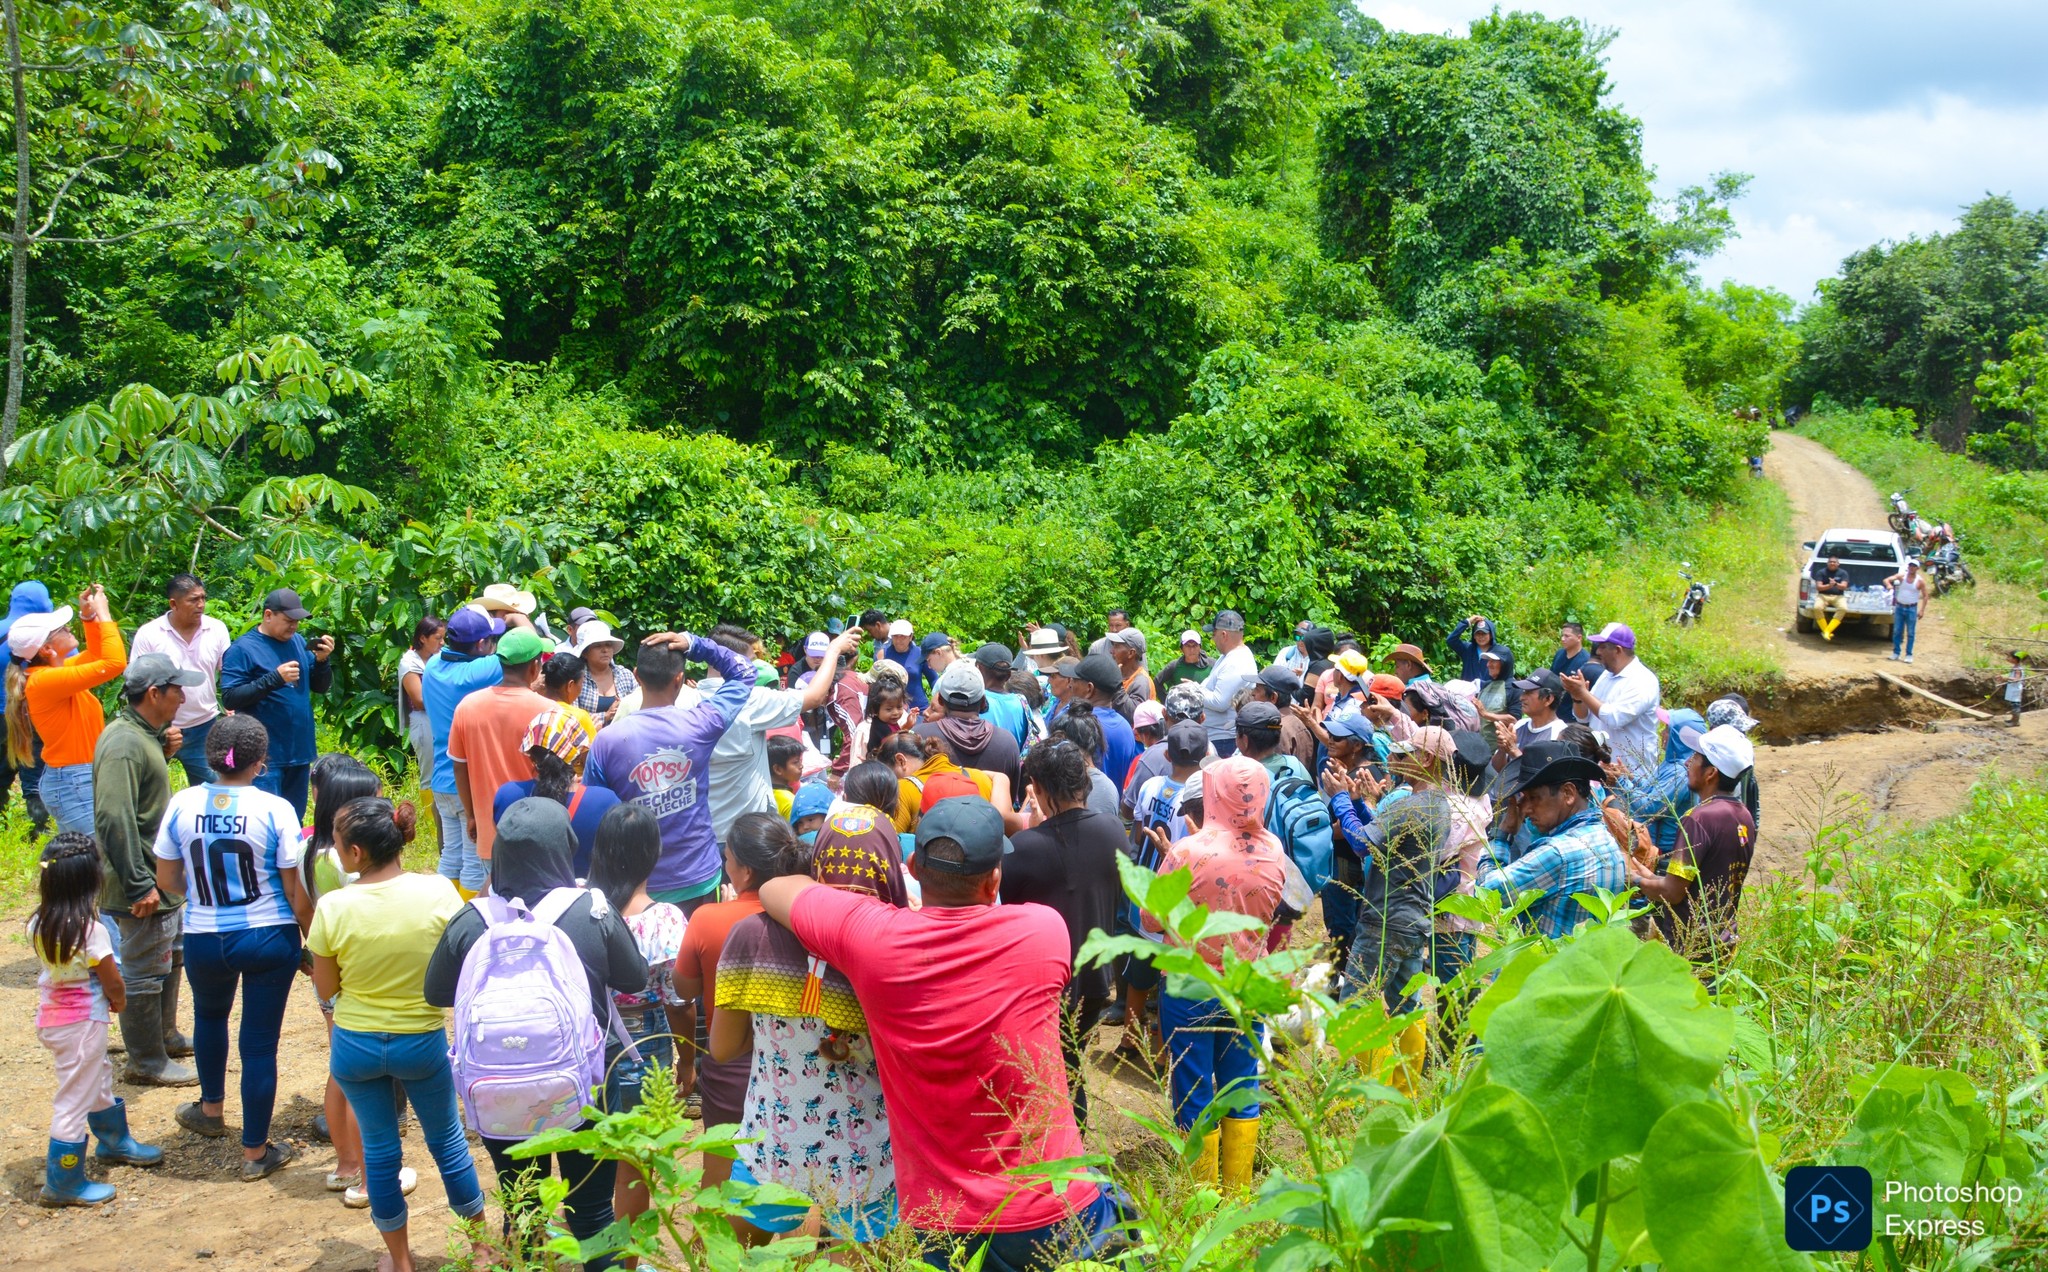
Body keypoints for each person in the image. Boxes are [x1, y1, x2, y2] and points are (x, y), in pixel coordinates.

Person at [757, 795, 1123, 1268]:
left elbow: (776, 888)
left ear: (913, 867)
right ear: (994, 880)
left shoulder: (872, 938)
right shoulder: (1043, 929)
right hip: (1055, 1205)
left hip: (944, 1223)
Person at [423, 798, 648, 1268]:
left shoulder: (472, 920)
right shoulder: (591, 909)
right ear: (565, 847)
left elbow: (435, 991)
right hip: (585, 1086)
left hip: (500, 1092)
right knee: (593, 1213)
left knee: (524, 1211)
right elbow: (635, 978)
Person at [712, 813, 901, 1251]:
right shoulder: (898, 948)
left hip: (773, 1146)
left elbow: (722, 1047)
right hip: (867, 1160)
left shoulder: (751, 934)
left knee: (738, 1257)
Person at [309, 797, 482, 1272]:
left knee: (380, 1153)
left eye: (338, 843)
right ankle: (483, 1249)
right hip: (420, 1040)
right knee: (448, 1144)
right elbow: (457, 966)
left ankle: (399, 1260)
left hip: (356, 1045)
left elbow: (326, 988)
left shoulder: (333, 906)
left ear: (357, 852)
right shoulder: (439, 892)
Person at [153, 713, 311, 1179]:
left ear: (210, 756)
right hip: (267, 935)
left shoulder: (182, 803)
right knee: (259, 1045)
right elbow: (293, 888)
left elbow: (168, 878)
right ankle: (255, 1153)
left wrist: (204, 898)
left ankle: (211, 1110)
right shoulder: (275, 809)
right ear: (260, 762)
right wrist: (310, 937)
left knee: (209, 1017)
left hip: (204, 934)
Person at [1143, 755, 1288, 1190]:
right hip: (1246, 984)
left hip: (1190, 985)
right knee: (1241, 1085)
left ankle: (1200, 1198)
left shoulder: (1188, 851)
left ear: (1213, 793)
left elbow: (1151, 918)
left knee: (1193, 1086)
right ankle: (1237, 1193)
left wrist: (1173, 862)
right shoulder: (1274, 849)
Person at [676, 810, 824, 1190]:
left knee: (721, 1183)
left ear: (743, 871)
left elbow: (684, 989)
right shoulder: (813, 917)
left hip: (732, 1072)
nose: (725, 868)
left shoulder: (709, 919)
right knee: (794, 1186)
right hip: (797, 1073)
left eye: (727, 860)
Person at [31, 832, 164, 1207]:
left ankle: (114, 1142)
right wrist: (118, 1001)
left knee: (97, 1076)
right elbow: (112, 980)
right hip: (83, 1024)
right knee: (73, 1100)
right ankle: (64, 1181)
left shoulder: (38, 922)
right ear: (90, 881)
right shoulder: (91, 931)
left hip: (54, 1019)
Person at [94, 652, 207, 1088]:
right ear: (155, 693)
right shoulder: (123, 744)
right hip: (140, 880)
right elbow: (113, 816)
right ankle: (145, 1060)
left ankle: (164, 1037)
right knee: (144, 969)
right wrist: (139, 884)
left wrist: (162, 749)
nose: (184, 697)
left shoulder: (142, 736)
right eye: (177, 689)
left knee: (170, 955)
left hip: (159, 876)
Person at [585, 632, 755, 909]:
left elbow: (595, 812)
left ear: (637, 676)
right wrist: (696, 644)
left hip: (635, 888)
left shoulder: (606, 741)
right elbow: (744, 672)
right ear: (679, 679)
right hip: (698, 877)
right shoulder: (701, 724)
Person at [1004, 739, 1124, 1125]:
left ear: (1037, 788)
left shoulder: (1024, 847)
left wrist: (1034, 828)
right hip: (1097, 978)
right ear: (1084, 783)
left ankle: (1064, 1143)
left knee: (1049, 1071)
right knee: (1070, 1063)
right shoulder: (1113, 830)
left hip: (1046, 982)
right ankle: (1073, 1140)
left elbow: (1007, 909)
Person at [585, 803, 690, 1239]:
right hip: (643, 1043)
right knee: (634, 1159)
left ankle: (586, 1237)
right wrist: (687, 1060)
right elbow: (678, 1002)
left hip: (585, 1041)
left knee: (588, 1149)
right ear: (653, 852)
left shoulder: (578, 905)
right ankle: (628, 1258)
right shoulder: (665, 920)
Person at [704, 626, 858, 844]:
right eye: (750, 661)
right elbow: (814, 697)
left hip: (703, 832)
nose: (754, 668)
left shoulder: (686, 699)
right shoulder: (749, 700)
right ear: (733, 661)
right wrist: (833, 651)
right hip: (745, 833)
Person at [1628, 724, 1758, 969]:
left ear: (1711, 773)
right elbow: (1704, 879)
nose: (1688, 762)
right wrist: (1651, 878)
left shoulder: (1698, 818)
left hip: (1689, 945)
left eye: (1696, 757)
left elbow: (1673, 893)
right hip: (1722, 940)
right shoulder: (1744, 815)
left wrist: (1635, 880)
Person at [1475, 740, 1627, 939]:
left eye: (1534, 797)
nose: (1525, 809)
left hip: (1543, 958)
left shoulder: (1557, 853)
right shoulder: (1605, 838)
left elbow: (1486, 896)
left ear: (1568, 793)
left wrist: (1502, 834)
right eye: (1523, 798)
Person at [10, 587, 125, 834]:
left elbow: (97, 656)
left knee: (91, 855)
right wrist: (104, 614)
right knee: (100, 853)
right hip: (74, 781)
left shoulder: (53, 674)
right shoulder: (44, 681)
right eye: (61, 629)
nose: (69, 628)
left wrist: (89, 618)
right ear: (46, 649)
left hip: (77, 778)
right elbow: (114, 663)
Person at [218, 588, 332, 819]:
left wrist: (322, 661)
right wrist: (274, 679)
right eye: (288, 621)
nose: (294, 627)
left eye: (297, 622)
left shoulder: (298, 642)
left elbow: (320, 687)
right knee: (263, 820)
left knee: (293, 819)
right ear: (268, 615)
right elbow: (230, 697)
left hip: (298, 751)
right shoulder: (242, 649)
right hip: (263, 756)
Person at [449, 628, 558, 867]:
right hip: (538, 832)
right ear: (535, 667)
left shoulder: (467, 706)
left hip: (490, 832)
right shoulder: (550, 711)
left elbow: (459, 767)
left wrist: (471, 815)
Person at [422, 607, 505, 898]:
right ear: (481, 644)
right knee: (473, 861)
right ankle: (466, 917)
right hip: (467, 784)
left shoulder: (433, 665)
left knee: (450, 855)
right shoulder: (479, 672)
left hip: (441, 780)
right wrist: (515, 615)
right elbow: (527, 645)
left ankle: (443, 915)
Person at [491, 706, 622, 876]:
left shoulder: (507, 796)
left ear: (531, 755)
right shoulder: (605, 802)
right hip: (582, 891)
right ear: (576, 755)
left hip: (522, 892)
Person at [129, 574, 232, 786]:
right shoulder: (150, 634)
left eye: (203, 598)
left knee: (213, 789)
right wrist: (159, 725)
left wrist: (232, 705)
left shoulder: (216, 629)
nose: (201, 605)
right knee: (148, 787)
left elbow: (229, 672)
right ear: (173, 604)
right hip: (157, 727)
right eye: (193, 600)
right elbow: (138, 682)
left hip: (204, 725)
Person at [1562, 622, 1662, 782]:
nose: (1598, 652)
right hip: (1602, 770)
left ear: (1618, 650)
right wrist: (1577, 697)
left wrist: (1583, 693)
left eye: (1602, 647)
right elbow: (1583, 717)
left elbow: (1615, 718)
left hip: (1632, 776)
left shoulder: (1643, 680)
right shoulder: (1606, 676)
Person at [915, 659, 1023, 790]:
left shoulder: (920, 737)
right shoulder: (1007, 742)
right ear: (983, 702)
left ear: (941, 701)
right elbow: (1010, 796)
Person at [0, 579, 55, 834]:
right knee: (35, 773)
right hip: (35, 715)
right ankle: (39, 829)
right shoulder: (50, 635)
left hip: (1, 715)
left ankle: (3, 828)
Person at [1622, 709, 1703, 861]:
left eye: (1667, 730)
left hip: (1664, 855)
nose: (1662, 733)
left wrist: (1621, 781)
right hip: (1653, 845)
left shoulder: (1679, 773)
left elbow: (1650, 808)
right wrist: (1629, 776)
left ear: (1680, 737)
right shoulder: (1671, 762)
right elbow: (1651, 787)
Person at [396, 617, 446, 816]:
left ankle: (442, 818)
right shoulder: (410, 662)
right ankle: (431, 822)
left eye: (443, 638)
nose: (442, 642)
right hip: (423, 720)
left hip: (440, 718)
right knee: (429, 773)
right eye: (438, 638)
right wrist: (448, 697)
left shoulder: (440, 657)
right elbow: (419, 700)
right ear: (423, 638)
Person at [1198, 612, 1258, 758]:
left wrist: (1193, 690)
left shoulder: (1237, 661)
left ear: (1223, 635)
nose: (1213, 639)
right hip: (1218, 736)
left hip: (1224, 739)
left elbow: (1219, 702)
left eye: (1214, 634)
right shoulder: (1228, 656)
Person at [572, 620, 638, 726]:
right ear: (585, 653)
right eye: (597, 646)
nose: (605, 650)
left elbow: (639, 707)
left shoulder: (625, 675)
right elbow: (571, 717)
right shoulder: (576, 678)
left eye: (608, 645)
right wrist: (606, 716)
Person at [875, 619, 929, 710]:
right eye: (895, 636)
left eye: (903, 636)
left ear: (910, 637)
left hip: (918, 708)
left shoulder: (920, 654)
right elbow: (875, 682)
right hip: (892, 709)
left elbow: (933, 679)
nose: (899, 640)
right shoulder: (882, 654)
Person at [1884, 559, 1928, 662]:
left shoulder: (1919, 581)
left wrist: (1922, 610)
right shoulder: (1902, 577)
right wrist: (1888, 585)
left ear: (1917, 568)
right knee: (1897, 631)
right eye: (1910, 565)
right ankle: (1896, 652)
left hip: (1911, 608)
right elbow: (1887, 579)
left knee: (1911, 632)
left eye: (1914, 566)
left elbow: (1925, 596)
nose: (1911, 568)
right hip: (1900, 607)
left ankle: (1909, 654)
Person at [1446, 615, 1511, 682]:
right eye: (1478, 633)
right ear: (1474, 636)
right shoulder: (1467, 649)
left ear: (1491, 635)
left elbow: (1507, 676)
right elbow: (1451, 640)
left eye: (1484, 633)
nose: (1481, 637)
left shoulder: (1500, 653)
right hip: (1467, 688)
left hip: (1490, 688)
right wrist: (1467, 622)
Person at [1550, 623, 1593, 723]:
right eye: (1562, 635)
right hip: (1554, 709)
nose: (1563, 639)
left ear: (1579, 638)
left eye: (1567, 636)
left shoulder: (1585, 661)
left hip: (1572, 712)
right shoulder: (1559, 654)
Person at [1154, 629, 1213, 696]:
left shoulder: (1212, 665)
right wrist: (1166, 699)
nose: (1192, 650)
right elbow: (1157, 681)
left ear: (1200, 647)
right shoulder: (1175, 666)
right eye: (1188, 646)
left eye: (1195, 645)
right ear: (1181, 649)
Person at [1810, 554, 1852, 642]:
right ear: (1827, 563)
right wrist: (1829, 585)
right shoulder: (1821, 572)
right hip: (1823, 596)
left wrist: (1835, 584)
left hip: (1838, 596)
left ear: (1838, 564)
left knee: (1843, 608)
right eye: (1830, 562)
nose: (1832, 563)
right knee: (1817, 608)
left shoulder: (1843, 573)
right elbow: (1819, 587)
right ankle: (1826, 631)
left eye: (1834, 562)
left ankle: (1827, 631)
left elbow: (1844, 586)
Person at [1107, 628, 1154, 703]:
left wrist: (1116, 683)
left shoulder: (1141, 682)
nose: (1111, 651)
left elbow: (1133, 709)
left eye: (1117, 646)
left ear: (1131, 653)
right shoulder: (1118, 672)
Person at [2005, 650, 2029, 727]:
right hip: (2013, 689)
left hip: (2015, 690)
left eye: (2009, 657)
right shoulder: (2015, 667)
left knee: (2015, 705)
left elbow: (2016, 679)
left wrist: (2005, 678)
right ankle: (2013, 719)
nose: (2007, 658)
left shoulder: (2017, 669)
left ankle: (2015, 721)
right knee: (2014, 705)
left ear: (2015, 659)